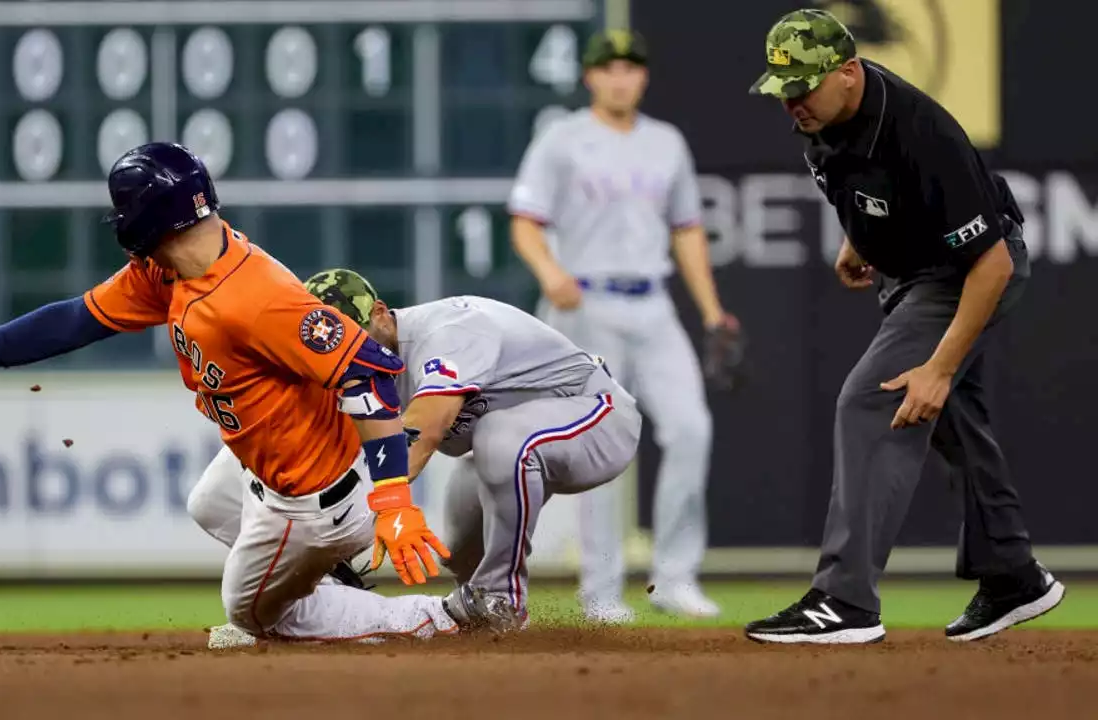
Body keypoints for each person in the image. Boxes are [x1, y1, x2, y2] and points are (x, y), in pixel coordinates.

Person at [0, 142, 507, 645]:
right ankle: (323, 571)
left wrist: (393, 498)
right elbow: (78, 317)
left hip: (314, 495)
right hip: (266, 463)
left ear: (143, 222)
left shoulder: (257, 299)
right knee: (207, 503)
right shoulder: (166, 272)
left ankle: (434, 617)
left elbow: (369, 369)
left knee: (251, 615)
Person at [743, 9, 1064, 645]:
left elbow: (992, 263)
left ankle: (846, 600)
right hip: (911, 272)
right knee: (952, 426)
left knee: (874, 401)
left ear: (849, 74)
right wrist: (858, 240)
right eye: (784, 91)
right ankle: (1012, 575)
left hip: (962, 275)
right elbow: (856, 188)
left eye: (803, 88)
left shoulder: (920, 132)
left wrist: (940, 369)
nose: (792, 104)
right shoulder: (822, 116)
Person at [507, 29, 740, 622]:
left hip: (651, 300)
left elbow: (686, 229)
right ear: (590, 77)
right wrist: (550, 271)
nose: (620, 78)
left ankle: (676, 578)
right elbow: (525, 221)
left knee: (691, 429)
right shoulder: (562, 139)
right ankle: (602, 591)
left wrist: (712, 310)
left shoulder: (667, 143)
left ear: (643, 76)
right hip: (585, 300)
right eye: (608, 68)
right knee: (600, 445)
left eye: (630, 68)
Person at [304, 269, 642, 629]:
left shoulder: (448, 330)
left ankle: (504, 598)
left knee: (499, 438)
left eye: (356, 336)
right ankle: (485, 625)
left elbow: (424, 428)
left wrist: (369, 513)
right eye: (336, 348)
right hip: (513, 443)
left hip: (598, 416)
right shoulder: (352, 377)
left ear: (381, 313)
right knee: (460, 551)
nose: (351, 352)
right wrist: (320, 554)